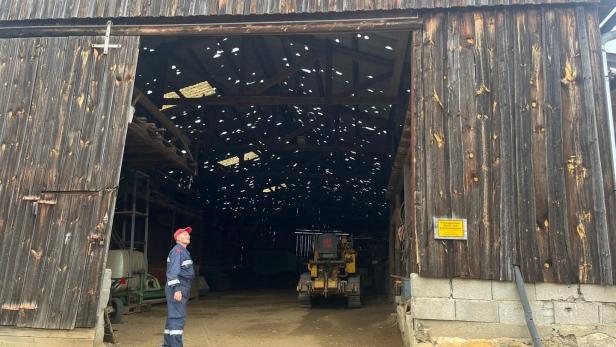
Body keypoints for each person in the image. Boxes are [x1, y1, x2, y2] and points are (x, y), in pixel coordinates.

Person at [162, 226, 195, 347]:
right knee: (177, 317)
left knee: (173, 316)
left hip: (181, 286)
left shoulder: (183, 251)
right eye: (185, 234)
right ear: (178, 238)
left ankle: (167, 345)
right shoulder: (178, 251)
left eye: (188, 234)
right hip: (178, 287)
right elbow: (172, 272)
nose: (188, 236)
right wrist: (177, 289)